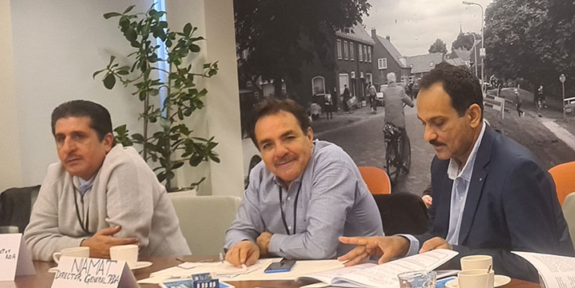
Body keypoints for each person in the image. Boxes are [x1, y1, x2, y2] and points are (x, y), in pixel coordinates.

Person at [339, 63, 574, 282]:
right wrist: (404, 243)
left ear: (472, 116)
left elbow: (539, 265)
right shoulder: (441, 165)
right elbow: (439, 237)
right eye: (424, 123)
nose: (428, 136)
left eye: (439, 123)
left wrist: (454, 257)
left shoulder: (517, 171)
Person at [224, 98, 383, 266]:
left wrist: (269, 243)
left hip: (356, 275)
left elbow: (320, 247)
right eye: (268, 145)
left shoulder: (333, 163)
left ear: (309, 136)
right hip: (294, 276)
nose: (280, 152)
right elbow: (238, 230)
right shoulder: (260, 174)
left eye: (289, 138)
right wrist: (243, 244)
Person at [24, 100, 190, 261]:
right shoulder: (56, 174)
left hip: (166, 272)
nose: (68, 148)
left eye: (79, 136)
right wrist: (86, 246)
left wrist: (68, 248)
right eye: (61, 139)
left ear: (107, 142)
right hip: (92, 275)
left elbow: (122, 246)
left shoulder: (126, 166)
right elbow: (32, 241)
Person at [383, 72, 414, 165]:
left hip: (388, 123)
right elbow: (410, 102)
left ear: (388, 80)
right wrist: (411, 104)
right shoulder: (400, 90)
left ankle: (390, 155)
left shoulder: (385, 91)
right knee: (404, 138)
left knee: (389, 137)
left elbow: (384, 102)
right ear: (395, 79)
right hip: (399, 122)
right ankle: (404, 161)